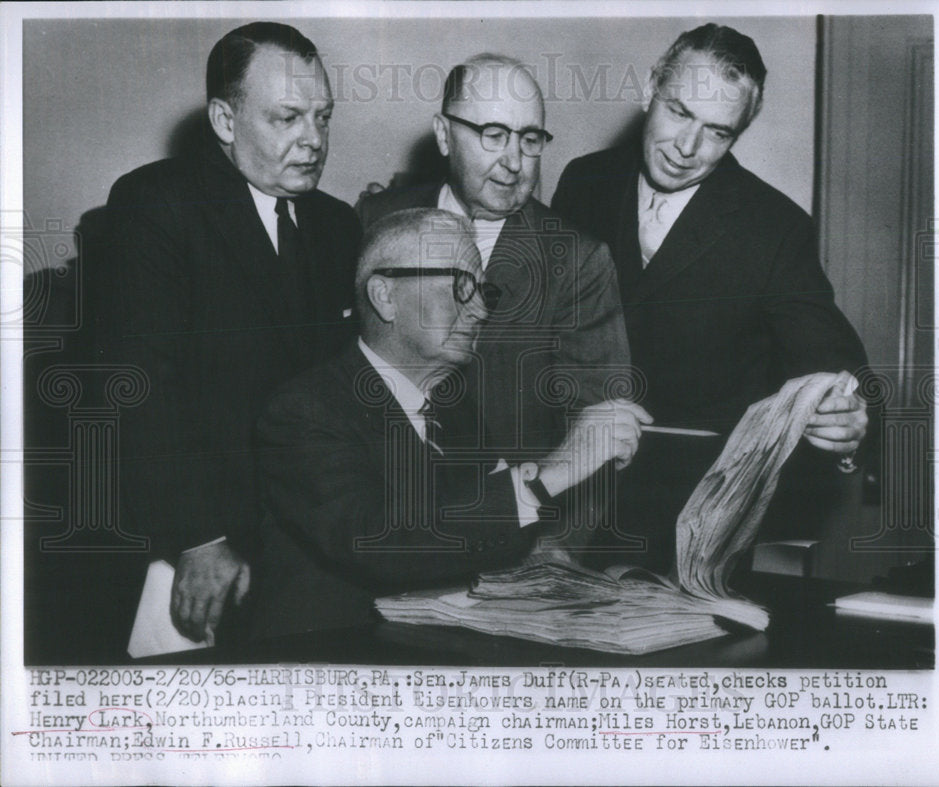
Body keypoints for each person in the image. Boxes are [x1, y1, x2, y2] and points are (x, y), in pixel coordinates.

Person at [551, 24, 869, 566]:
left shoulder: (775, 228)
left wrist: (850, 415)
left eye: (718, 132)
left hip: (691, 529)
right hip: (565, 504)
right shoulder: (583, 181)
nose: (687, 147)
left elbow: (835, 367)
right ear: (652, 85)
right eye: (678, 111)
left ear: (739, 131)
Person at [252, 209, 650, 640]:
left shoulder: (452, 403)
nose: (480, 310)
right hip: (329, 661)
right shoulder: (303, 410)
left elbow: (477, 526)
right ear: (385, 296)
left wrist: (544, 554)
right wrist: (553, 473)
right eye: (460, 287)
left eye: (483, 290)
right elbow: (379, 542)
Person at [97, 22, 361, 649]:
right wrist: (198, 536)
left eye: (323, 117)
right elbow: (140, 389)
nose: (313, 140)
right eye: (288, 118)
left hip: (308, 543)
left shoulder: (337, 223)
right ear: (223, 119)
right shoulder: (153, 205)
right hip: (195, 543)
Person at [357, 54, 631, 459]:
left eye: (530, 139)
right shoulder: (375, 219)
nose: (514, 162)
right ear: (444, 135)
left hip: (512, 512)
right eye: (494, 134)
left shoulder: (579, 261)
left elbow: (598, 438)